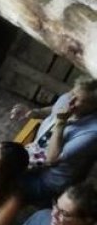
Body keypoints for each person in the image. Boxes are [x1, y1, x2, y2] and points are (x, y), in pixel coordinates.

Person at [12, 78, 97, 207]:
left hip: (47, 181)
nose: (70, 101)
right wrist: (34, 112)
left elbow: (52, 159)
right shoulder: (68, 99)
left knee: (4, 179)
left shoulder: (92, 132)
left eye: (79, 99)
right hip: (32, 158)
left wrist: (61, 123)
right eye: (72, 94)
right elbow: (54, 109)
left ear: (93, 106)